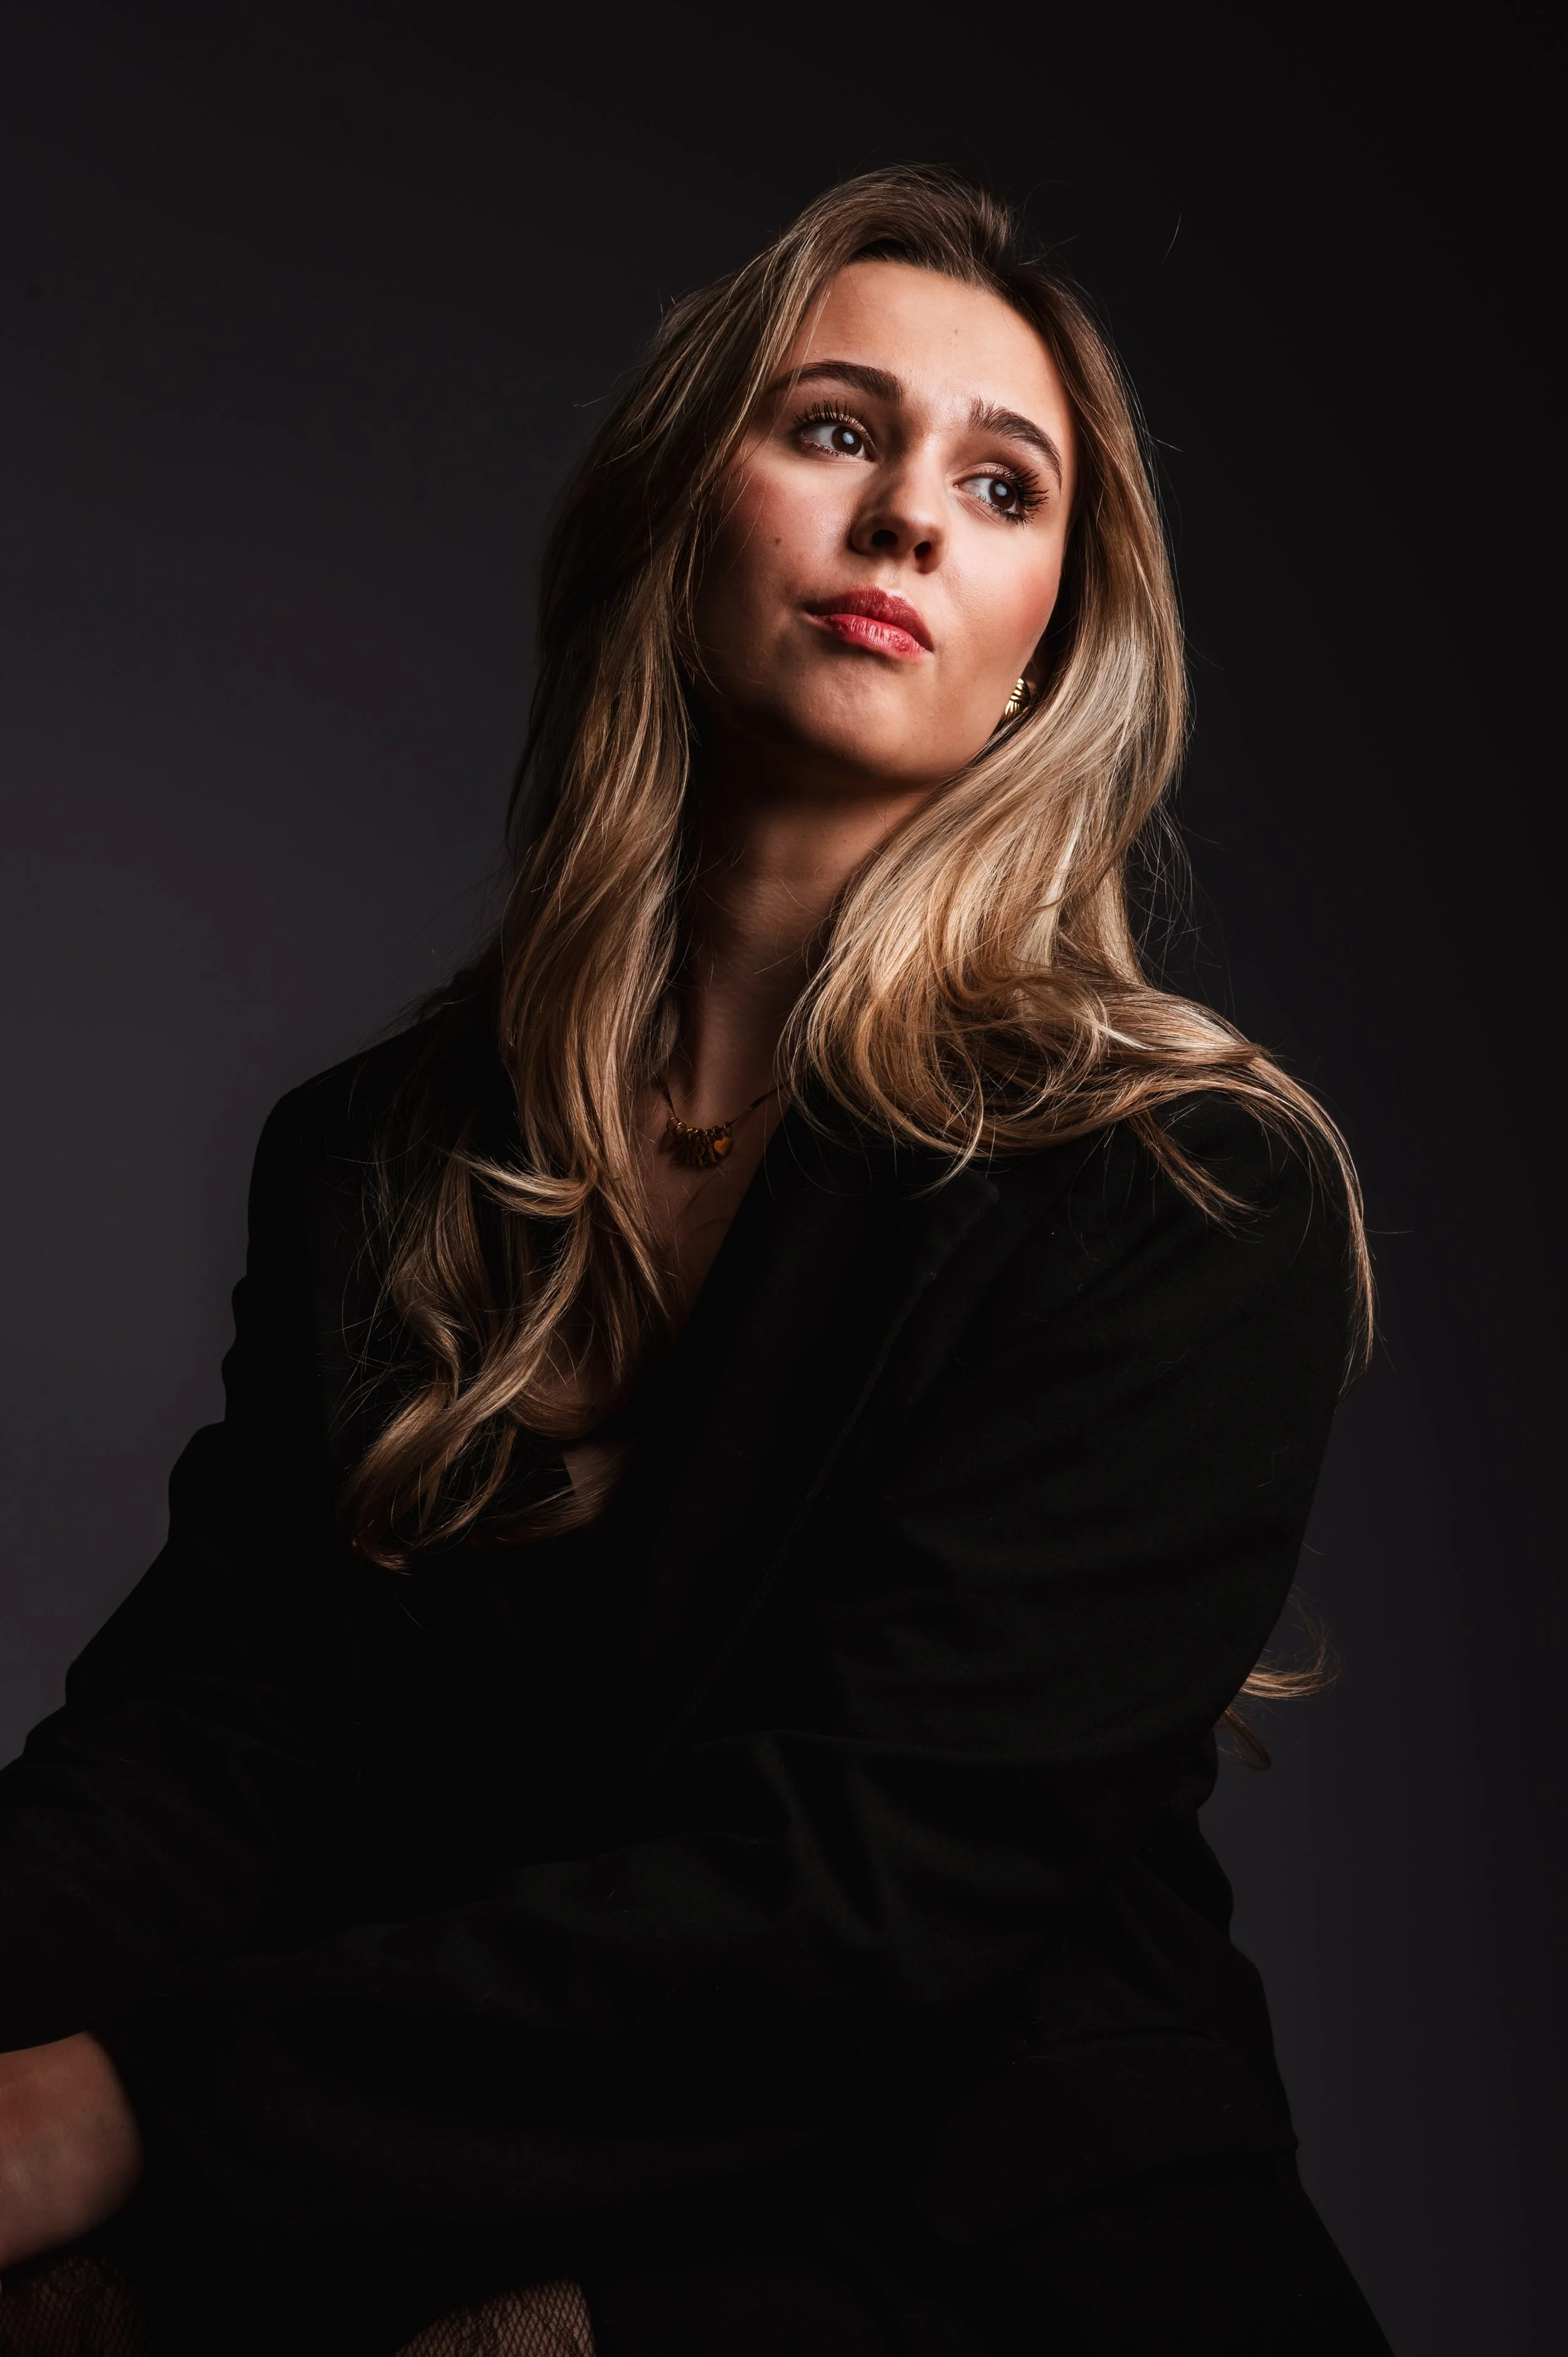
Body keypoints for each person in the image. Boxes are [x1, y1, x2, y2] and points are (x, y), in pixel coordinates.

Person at [0, 166, 1392, 2354]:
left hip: (966, 2240)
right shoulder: (377, 1156)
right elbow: (217, 1729)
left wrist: (138, 2106)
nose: (910, 516)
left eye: (1000, 483)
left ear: (1049, 648)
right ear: (680, 508)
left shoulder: (1180, 1186)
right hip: (468, 2146)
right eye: (835, 429)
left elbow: (860, 1890)